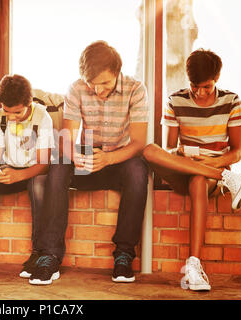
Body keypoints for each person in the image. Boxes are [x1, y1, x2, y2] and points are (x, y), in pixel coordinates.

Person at [30, 41, 149, 285]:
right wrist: (76, 157)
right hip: (88, 158)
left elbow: (138, 142)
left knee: (139, 170)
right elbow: (67, 141)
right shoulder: (76, 89)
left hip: (119, 158)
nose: (98, 91)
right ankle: (49, 255)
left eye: (105, 83)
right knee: (60, 164)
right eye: (92, 84)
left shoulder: (136, 89)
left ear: (117, 73)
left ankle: (124, 255)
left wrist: (109, 158)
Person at [142, 49, 241, 291]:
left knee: (198, 179)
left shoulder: (231, 101)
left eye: (207, 87)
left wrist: (207, 166)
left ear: (217, 78)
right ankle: (228, 178)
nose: (200, 93)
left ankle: (193, 266)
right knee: (149, 150)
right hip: (183, 167)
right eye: (194, 86)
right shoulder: (175, 100)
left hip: (208, 171)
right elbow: (169, 148)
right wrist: (183, 154)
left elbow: (236, 152)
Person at [0, 74, 54, 278]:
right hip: (9, 171)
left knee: (39, 186)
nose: (11, 116)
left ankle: (38, 253)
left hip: (33, 172)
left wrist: (18, 176)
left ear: (29, 102)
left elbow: (43, 165)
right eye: (7, 111)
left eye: (17, 112)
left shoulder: (43, 118)